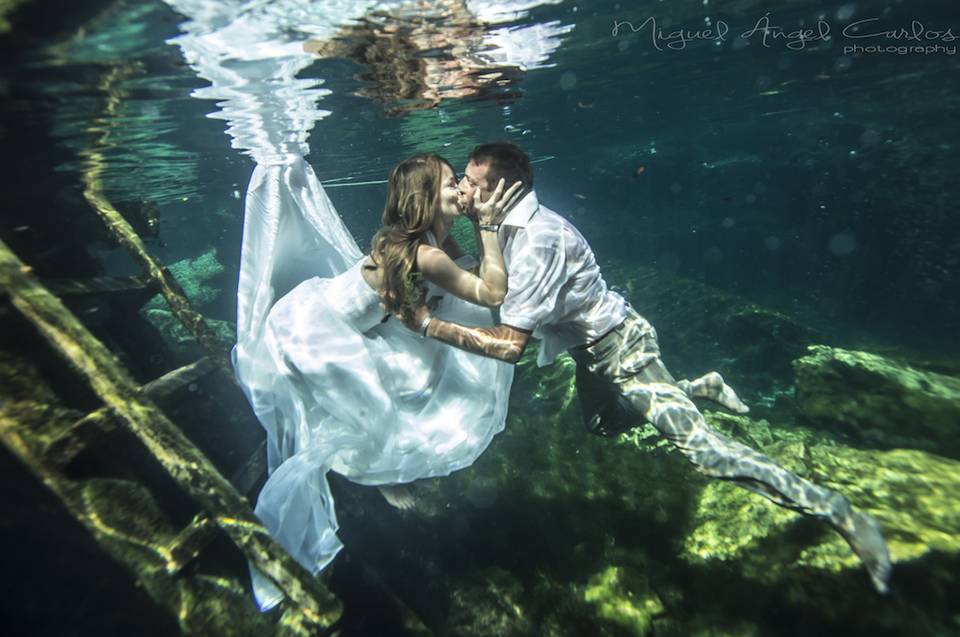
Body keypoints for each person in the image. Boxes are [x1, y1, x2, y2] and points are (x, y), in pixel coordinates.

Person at [405, 142, 892, 594]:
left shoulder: (537, 240)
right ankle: (695, 386)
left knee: (707, 454)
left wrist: (427, 325)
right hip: (591, 351)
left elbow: (510, 344)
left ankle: (839, 512)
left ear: (505, 189)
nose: (464, 188)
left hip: (622, 347)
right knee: (600, 424)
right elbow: (482, 276)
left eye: (471, 181)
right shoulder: (505, 226)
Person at [234, 153, 522, 610]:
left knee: (422, 367)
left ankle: (387, 470)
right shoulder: (423, 252)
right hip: (318, 335)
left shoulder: (430, 241)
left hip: (342, 322)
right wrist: (490, 225)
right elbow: (491, 292)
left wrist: (472, 224)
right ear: (426, 196)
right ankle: (385, 474)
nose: (461, 188)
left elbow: (463, 270)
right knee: (377, 416)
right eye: (452, 183)